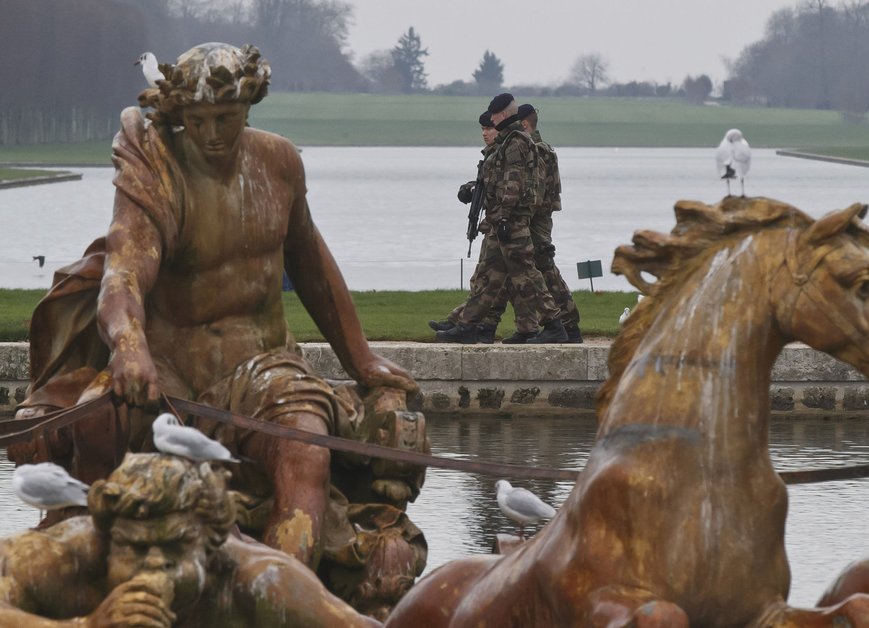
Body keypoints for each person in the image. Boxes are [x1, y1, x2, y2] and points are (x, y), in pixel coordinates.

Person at [10, 43, 422, 581]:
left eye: (225, 118)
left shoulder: (280, 163)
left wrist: (361, 357)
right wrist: (130, 349)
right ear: (179, 114)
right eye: (197, 120)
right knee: (97, 422)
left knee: (306, 451)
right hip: (168, 370)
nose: (211, 133)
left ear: (248, 106)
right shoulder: (157, 165)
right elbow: (124, 275)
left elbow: (314, 268)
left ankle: (280, 590)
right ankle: (81, 567)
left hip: (267, 367)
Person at [0, 453, 380, 627]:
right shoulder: (60, 559)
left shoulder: (264, 583)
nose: (151, 565)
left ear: (209, 544)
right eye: (133, 548)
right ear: (107, 536)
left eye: (171, 549)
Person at [436, 93, 567, 344]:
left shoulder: (516, 142)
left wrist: (506, 217)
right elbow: (496, 179)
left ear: (503, 115)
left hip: (512, 221)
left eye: (494, 115)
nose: (491, 120)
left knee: (526, 274)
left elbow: (514, 183)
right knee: (488, 275)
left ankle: (554, 323)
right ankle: (468, 325)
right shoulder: (507, 141)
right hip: (500, 219)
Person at [427, 110, 504, 344]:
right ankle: (469, 322)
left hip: (502, 225)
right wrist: (471, 189)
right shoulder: (494, 154)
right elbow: (487, 183)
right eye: (482, 129)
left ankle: (466, 324)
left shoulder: (505, 153)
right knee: (493, 281)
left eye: (488, 129)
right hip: (495, 225)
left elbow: (504, 186)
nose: (484, 133)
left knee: (494, 280)